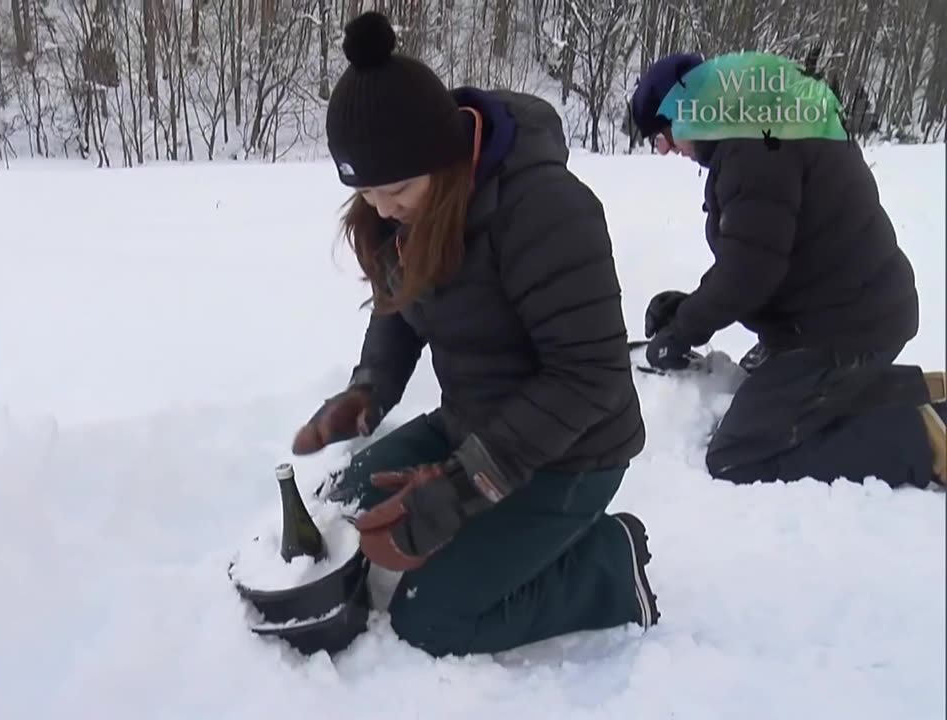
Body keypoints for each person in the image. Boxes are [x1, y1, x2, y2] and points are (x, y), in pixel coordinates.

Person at [288, 11, 658, 659]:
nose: (381, 208)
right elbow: (399, 310)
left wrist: (464, 488)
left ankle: (607, 562)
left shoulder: (545, 210)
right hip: (469, 422)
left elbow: (590, 376)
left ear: (445, 157)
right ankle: (498, 536)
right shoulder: (409, 210)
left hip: (570, 455)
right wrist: (370, 387)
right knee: (339, 503)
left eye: (395, 188)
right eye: (365, 191)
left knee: (430, 621)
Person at [629, 51, 947, 490]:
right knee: (761, 400)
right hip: (835, 317)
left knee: (737, 456)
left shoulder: (755, 148)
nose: (664, 149)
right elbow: (755, 250)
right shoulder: (756, 132)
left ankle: (920, 439)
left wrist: (685, 329)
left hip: (845, 328)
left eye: (663, 134)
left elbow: (750, 271)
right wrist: (691, 307)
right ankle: (890, 395)